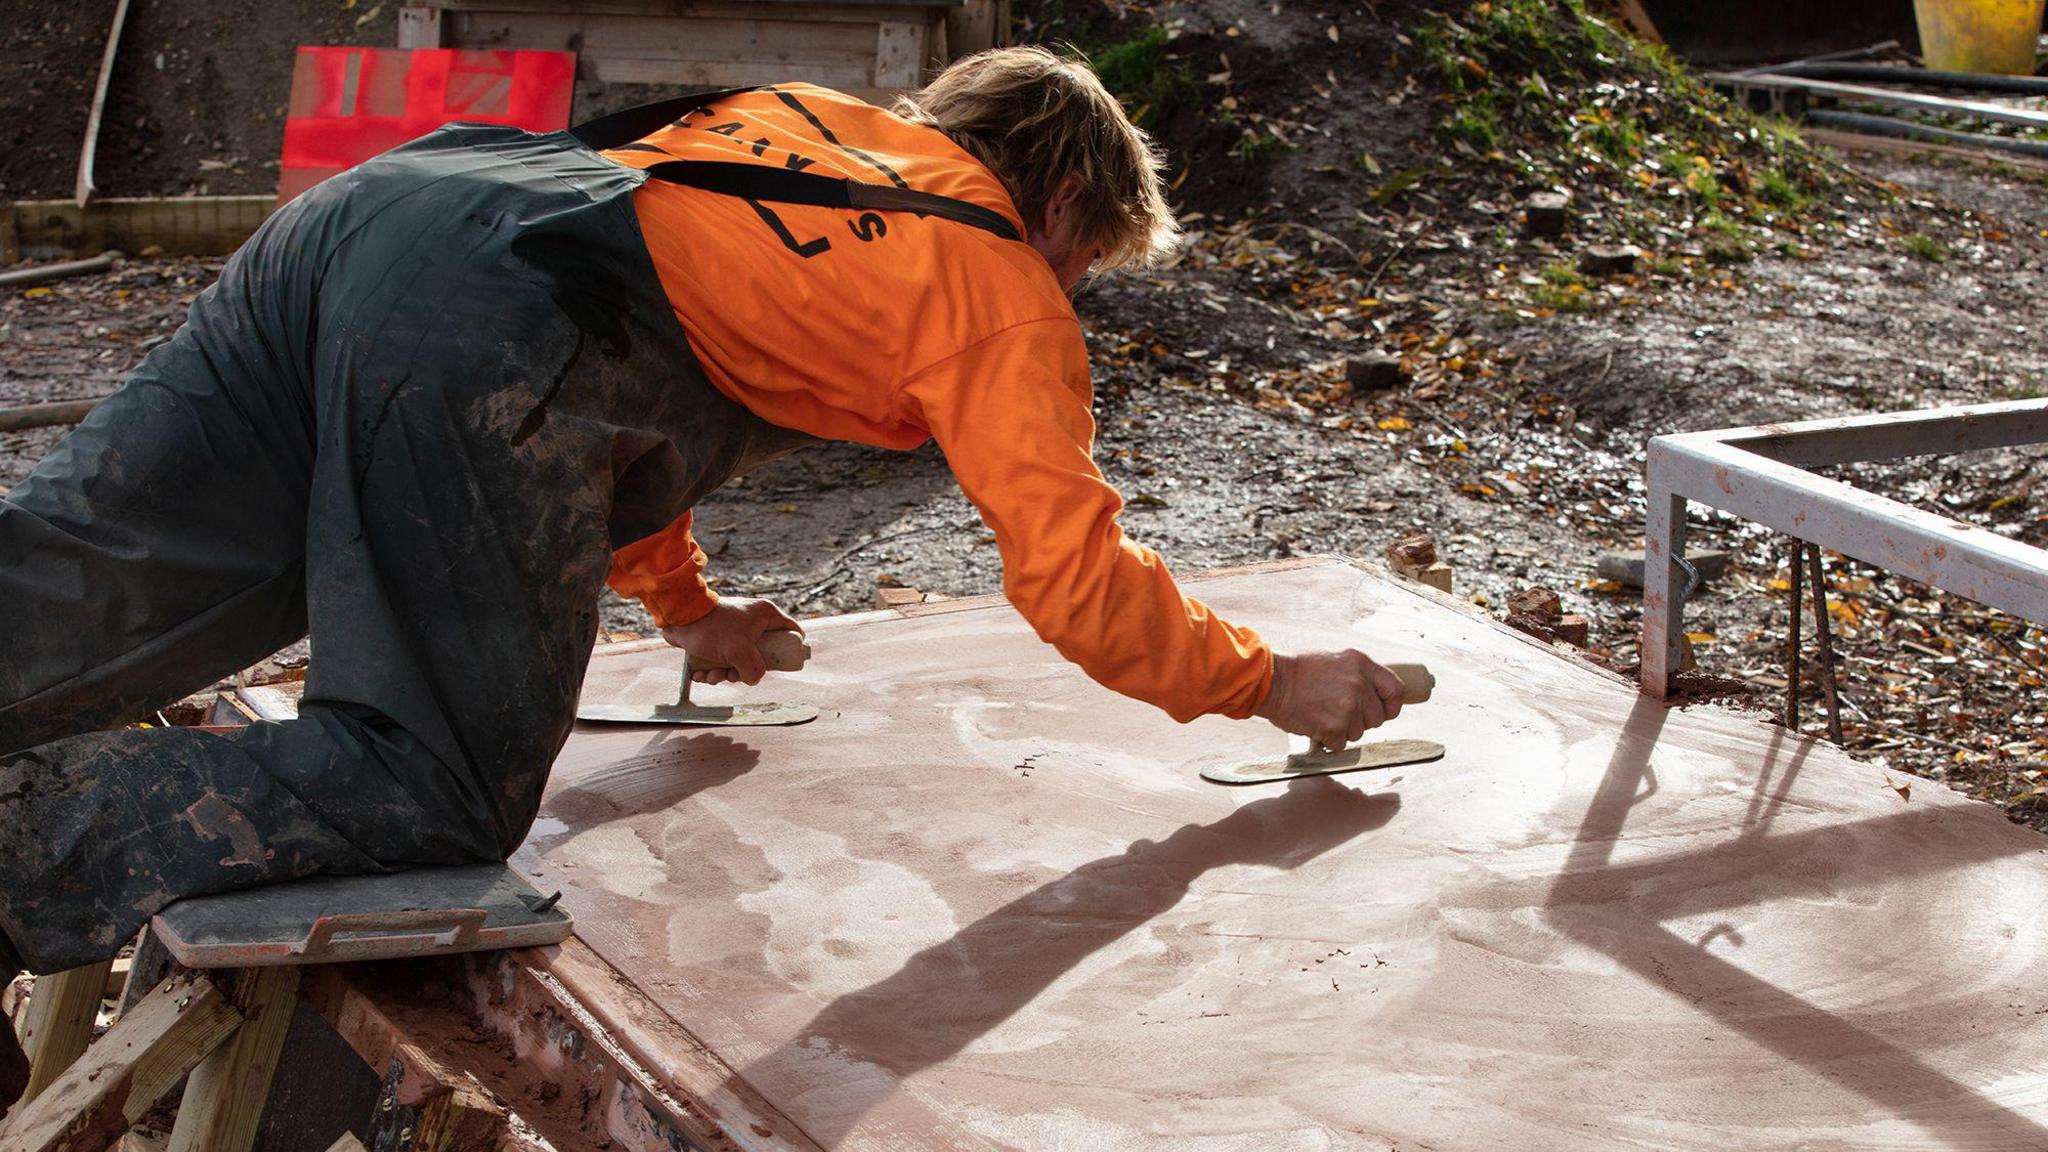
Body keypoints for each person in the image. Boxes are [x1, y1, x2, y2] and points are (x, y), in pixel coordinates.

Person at [0, 48, 1404, 994]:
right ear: (1064, 207)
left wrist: (687, 609)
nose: (1075, 291)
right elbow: (1073, 578)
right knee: (422, 786)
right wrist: (1269, 681)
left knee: (74, 583)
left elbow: (624, 371)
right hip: (489, 323)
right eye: (1087, 263)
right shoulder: (992, 279)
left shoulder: (809, 133)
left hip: (389, 216)